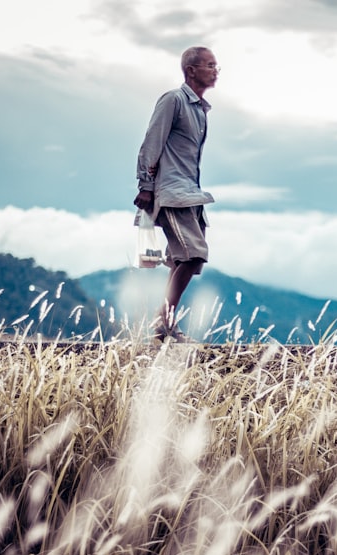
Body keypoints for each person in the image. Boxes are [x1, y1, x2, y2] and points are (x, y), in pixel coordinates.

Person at [134, 46, 219, 343]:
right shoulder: (174, 100)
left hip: (191, 192)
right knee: (194, 253)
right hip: (171, 191)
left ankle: (164, 324)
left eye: (216, 66)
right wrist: (145, 185)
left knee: (189, 260)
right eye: (209, 65)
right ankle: (163, 321)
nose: (215, 70)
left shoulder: (201, 110)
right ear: (191, 70)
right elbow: (151, 141)